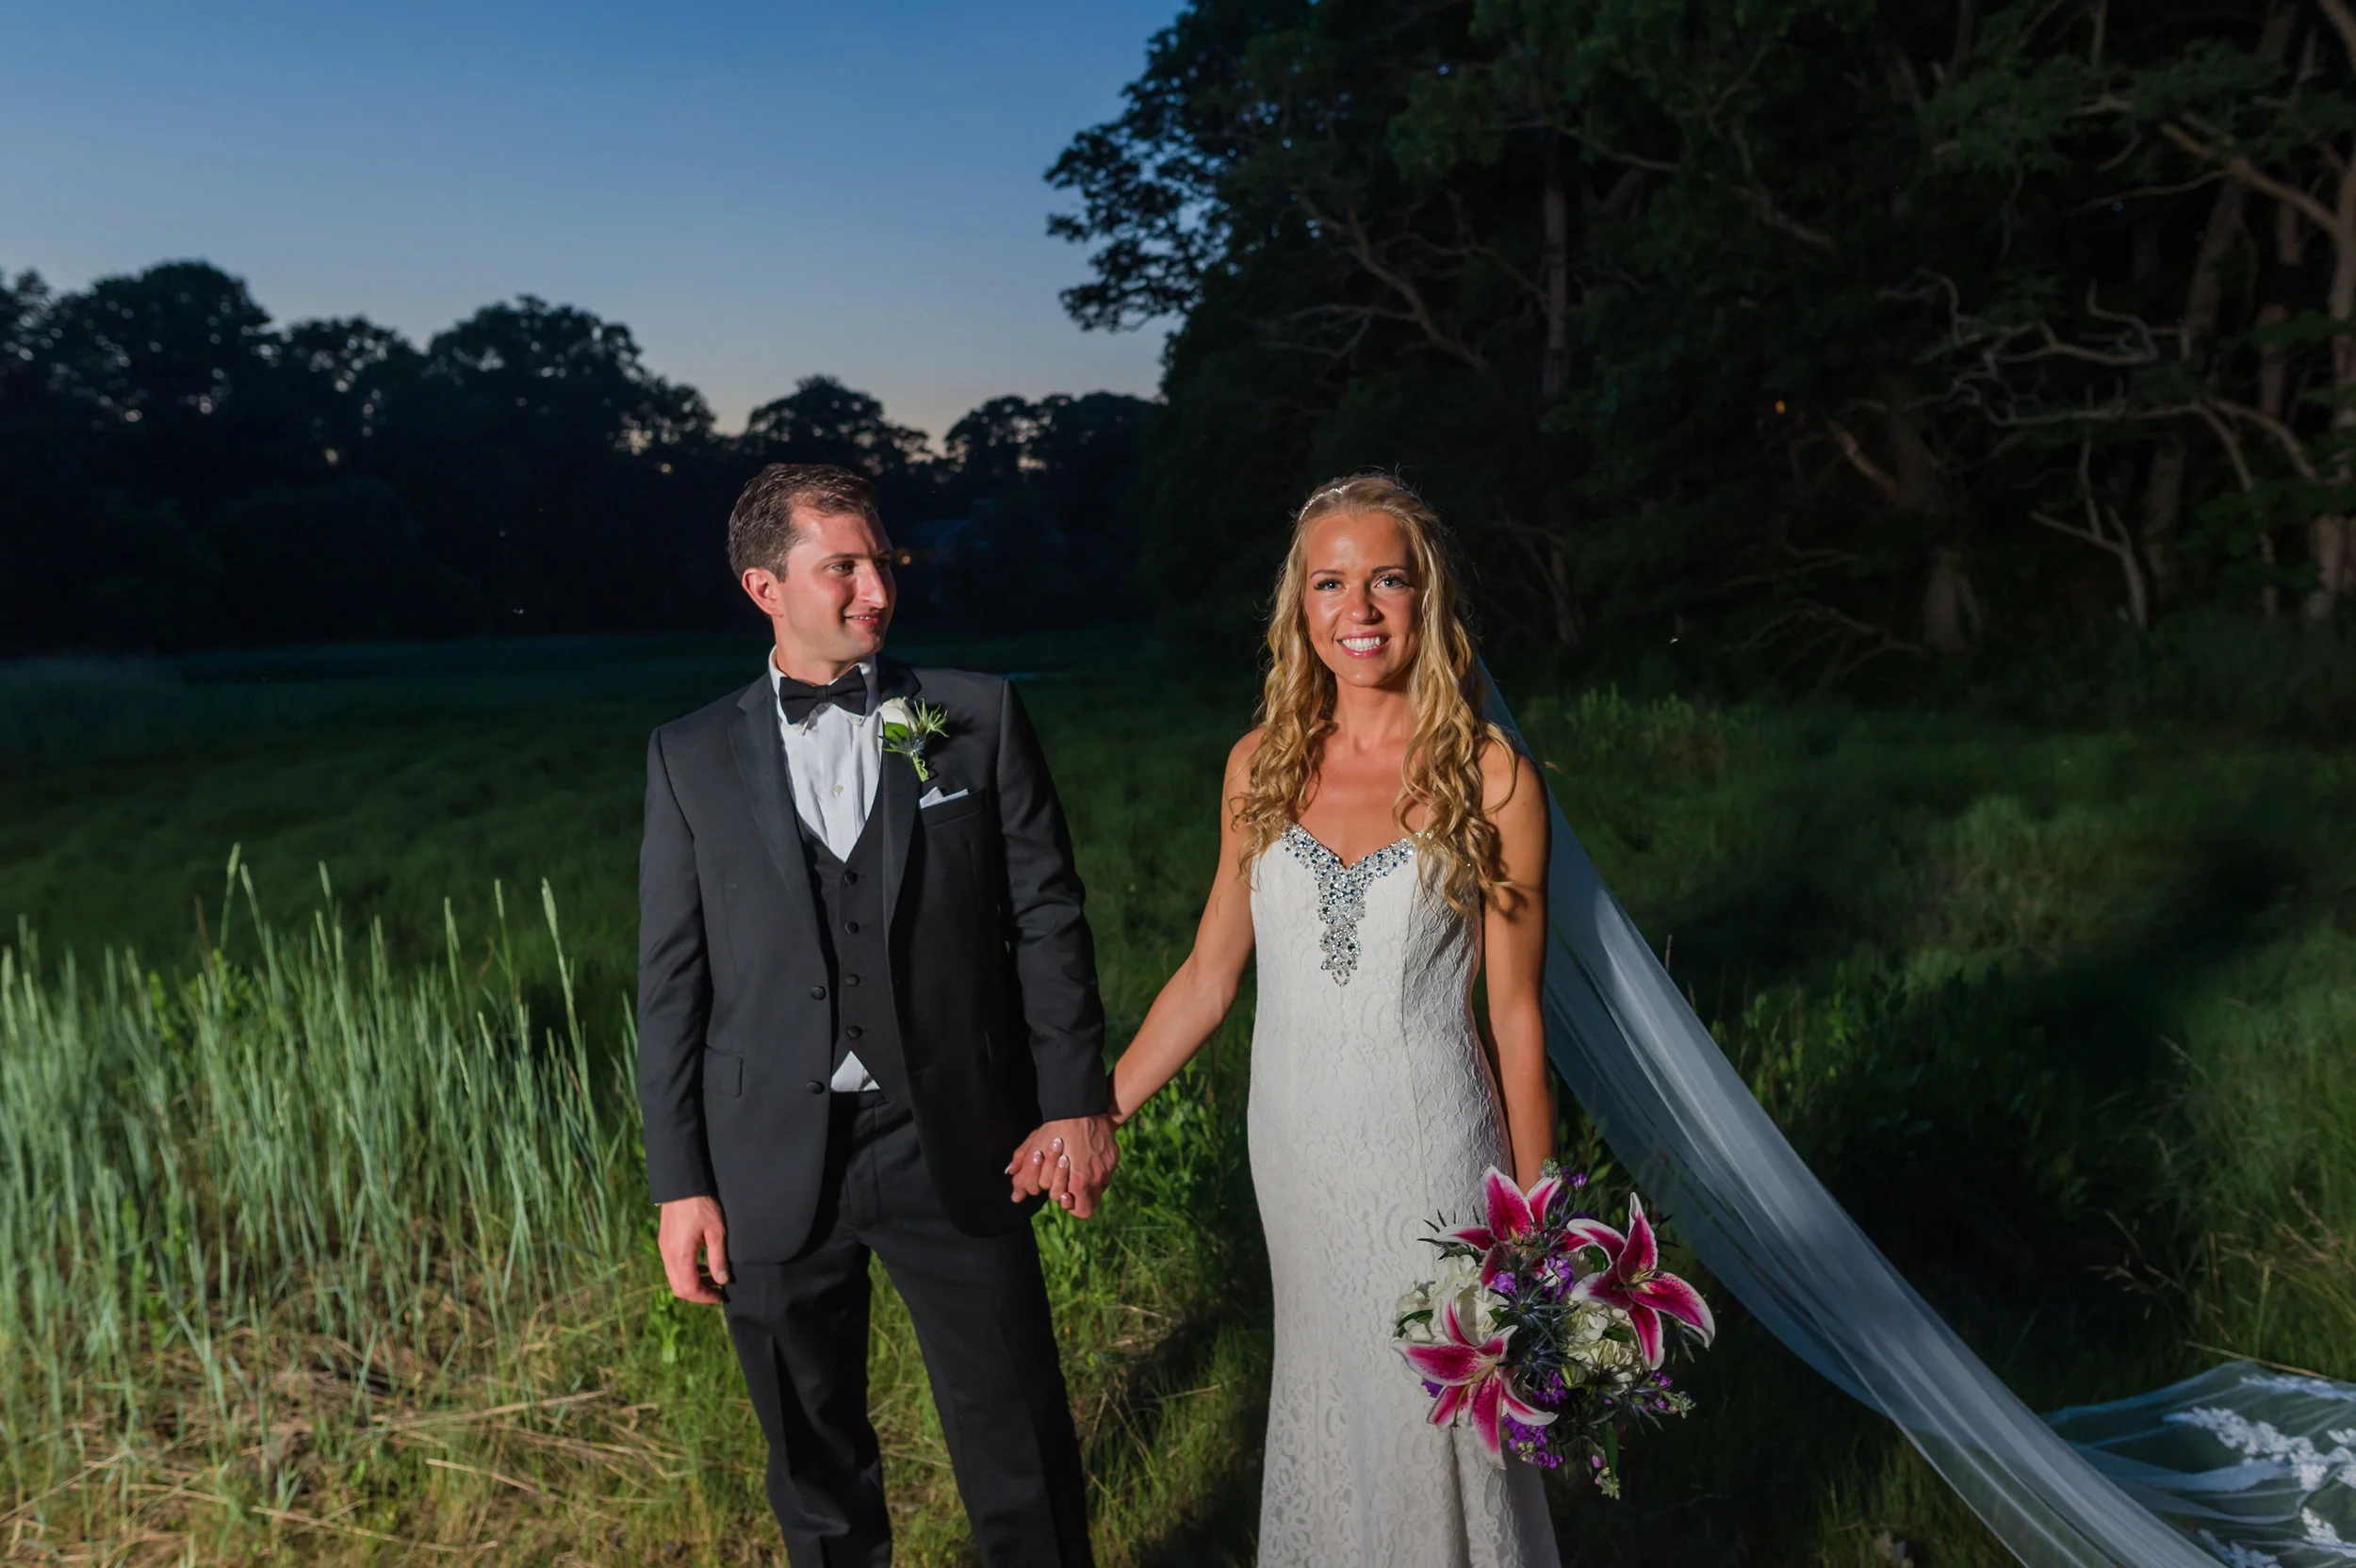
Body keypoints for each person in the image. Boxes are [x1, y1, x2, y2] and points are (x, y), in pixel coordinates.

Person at [634, 462, 1118, 1568]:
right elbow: (670, 982)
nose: (877, 589)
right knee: (814, 1468)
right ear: (765, 587)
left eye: (882, 561)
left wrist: (1074, 1100)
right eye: (842, 567)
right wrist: (680, 1178)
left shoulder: (975, 715)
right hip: (766, 1155)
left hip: (955, 1134)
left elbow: (1048, 919)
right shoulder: (686, 754)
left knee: (1018, 1441)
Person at [1080, 473, 1562, 1566]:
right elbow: (1208, 977)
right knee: (1331, 1389)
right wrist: (1095, 1112)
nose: (1359, 608)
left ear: (1426, 595)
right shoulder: (1259, 765)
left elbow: (1516, 1019)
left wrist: (1536, 1238)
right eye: (1330, 583)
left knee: (1429, 1410)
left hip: (1430, 1145)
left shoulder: (1492, 778)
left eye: (1387, 579)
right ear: (1299, 607)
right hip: (1293, 1149)